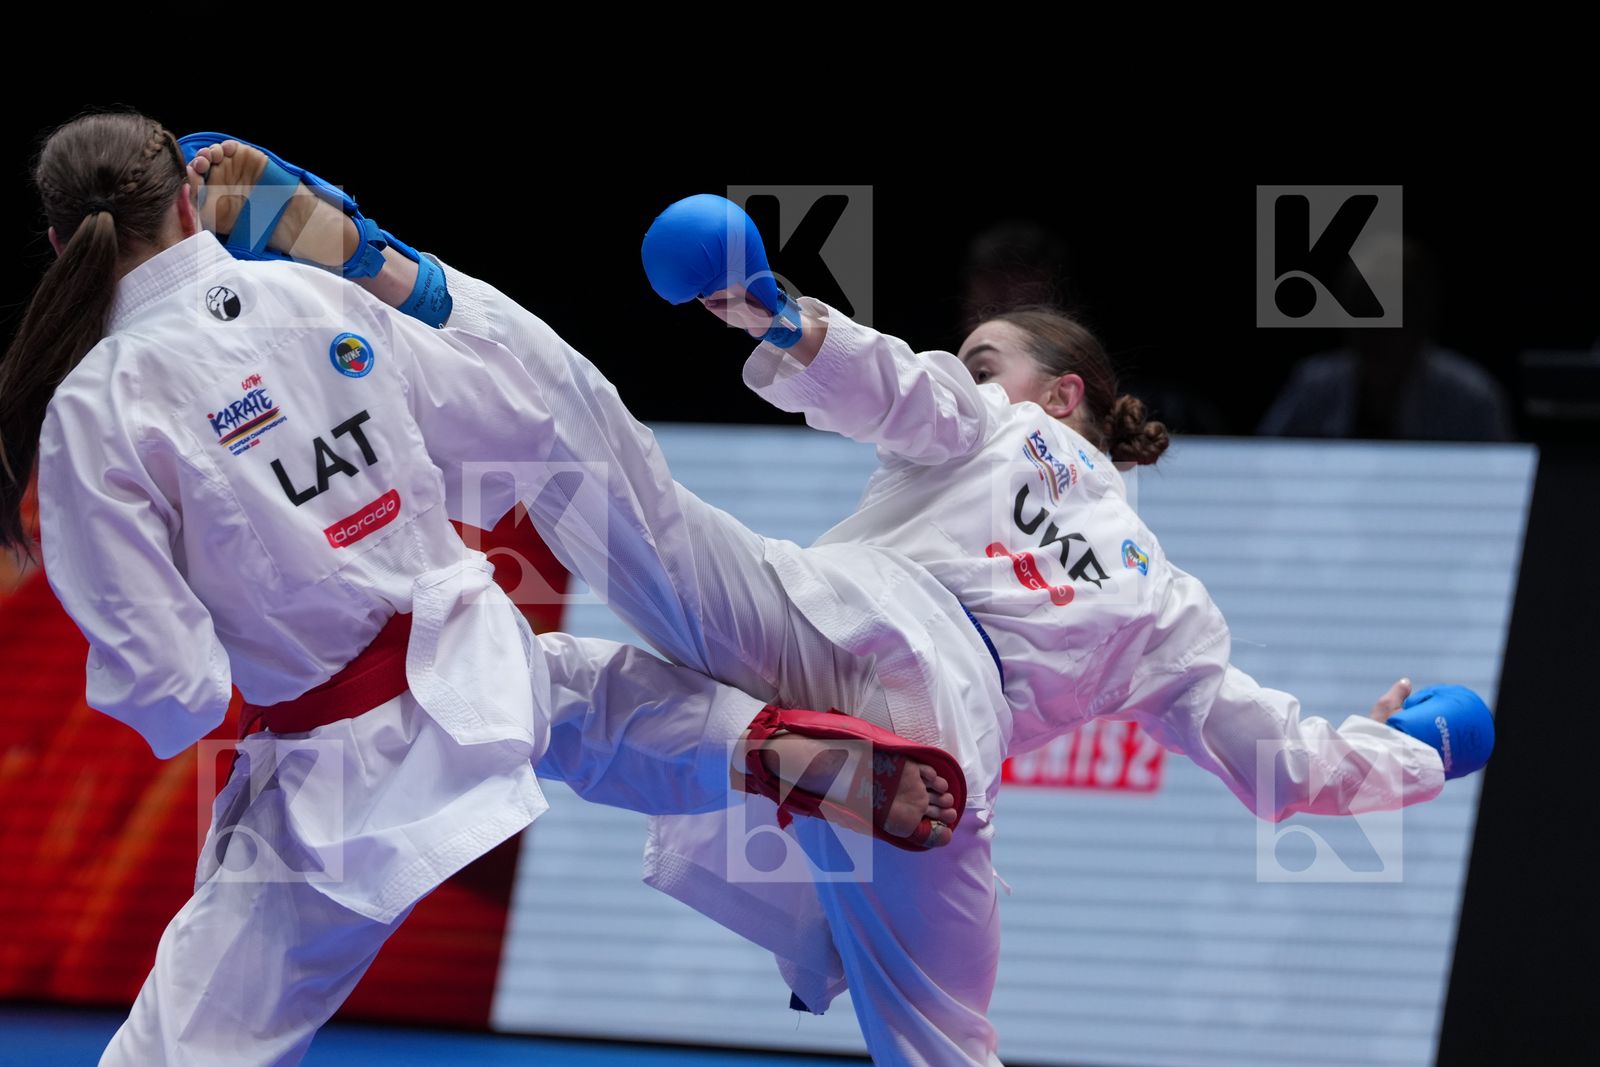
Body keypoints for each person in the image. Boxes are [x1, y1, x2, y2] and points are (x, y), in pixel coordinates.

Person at [183, 143, 1495, 1067]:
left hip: (838, 619)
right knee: (944, 1043)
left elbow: (895, 386)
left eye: (994, 355)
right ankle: (785, 767)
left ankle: (400, 280)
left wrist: (760, 305)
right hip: (940, 764)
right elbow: (1285, 765)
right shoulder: (1175, 613)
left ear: (1062, 395)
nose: (970, 362)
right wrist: (1417, 744)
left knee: (591, 475)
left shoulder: (1000, 426)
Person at [0, 113, 964, 1067]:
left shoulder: (94, 405)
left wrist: (228, 644)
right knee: (581, 697)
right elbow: (511, 423)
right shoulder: (311, 295)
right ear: (185, 202)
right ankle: (752, 741)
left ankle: (751, 745)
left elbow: (171, 679)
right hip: (479, 653)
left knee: (179, 1049)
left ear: (59, 242)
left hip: (341, 772)